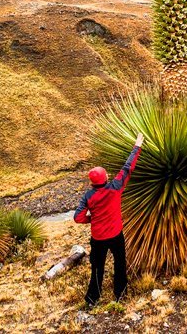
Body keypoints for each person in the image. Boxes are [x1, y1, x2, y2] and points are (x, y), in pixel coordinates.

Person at [74, 132, 144, 307]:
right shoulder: (115, 188)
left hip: (98, 238)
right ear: (105, 178)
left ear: (91, 182)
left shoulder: (88, 196)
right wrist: (137, 145)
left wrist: (93, 219)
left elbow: (78, 217)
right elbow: (127, 168)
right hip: (115, 234)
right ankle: (120, 294)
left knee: (97, 268)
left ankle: (92, 299)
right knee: (120, 264)